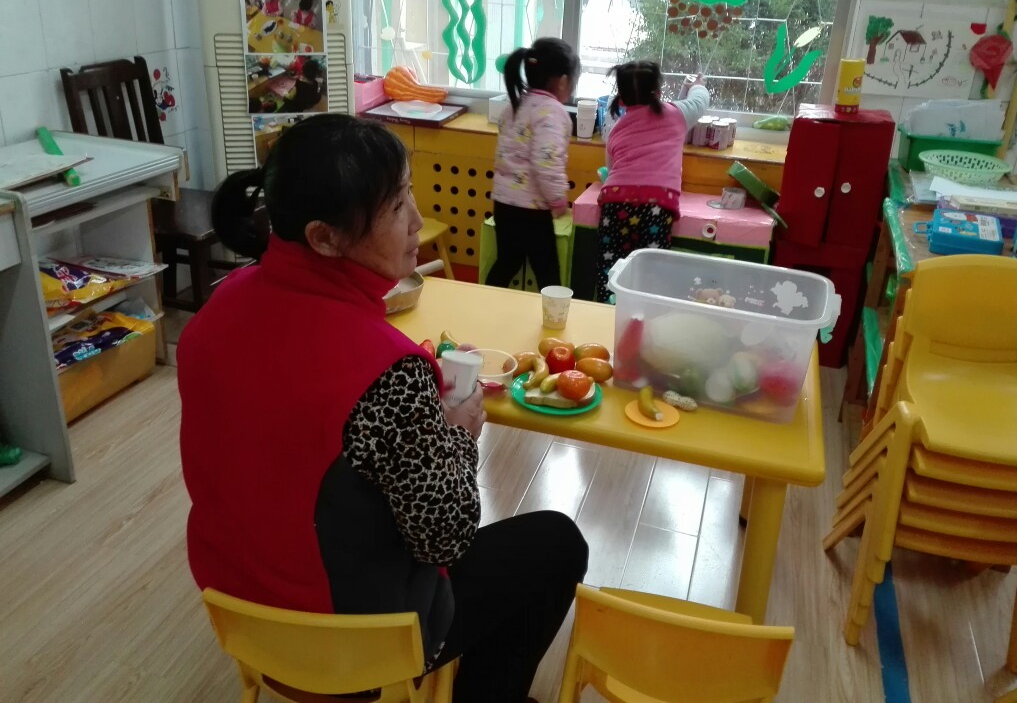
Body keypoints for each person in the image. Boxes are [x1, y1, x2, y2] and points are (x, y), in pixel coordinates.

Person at [178, 114, 588, 703]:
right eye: (396, 207)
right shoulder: (388, 371)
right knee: (557, 542)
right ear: (324, 237)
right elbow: (446, 538)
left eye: (408, 193)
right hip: (356, 645)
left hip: (240, 613)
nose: (417, 221)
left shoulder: (215, 309)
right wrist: (456, 434)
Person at [595, 61, 711, 302]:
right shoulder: (677, 114)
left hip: (615, 201)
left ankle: (609, 306)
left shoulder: (617, 128)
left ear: (622, 99)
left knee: (611, 265)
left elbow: (612, 168)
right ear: (658, 92)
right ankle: (645, 311)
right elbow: (699, 102)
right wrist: (697, 85)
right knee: (652, 268)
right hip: (657, 205)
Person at [485, 38, 580, 291]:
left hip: (504, 204)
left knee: (507, 261)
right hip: (532, 209)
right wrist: (558, 200)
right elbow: (546, 161)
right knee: (547, 271)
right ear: (563, 81)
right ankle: (556, 312)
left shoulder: (515, 106)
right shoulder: (552, 112)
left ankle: (484, 302)